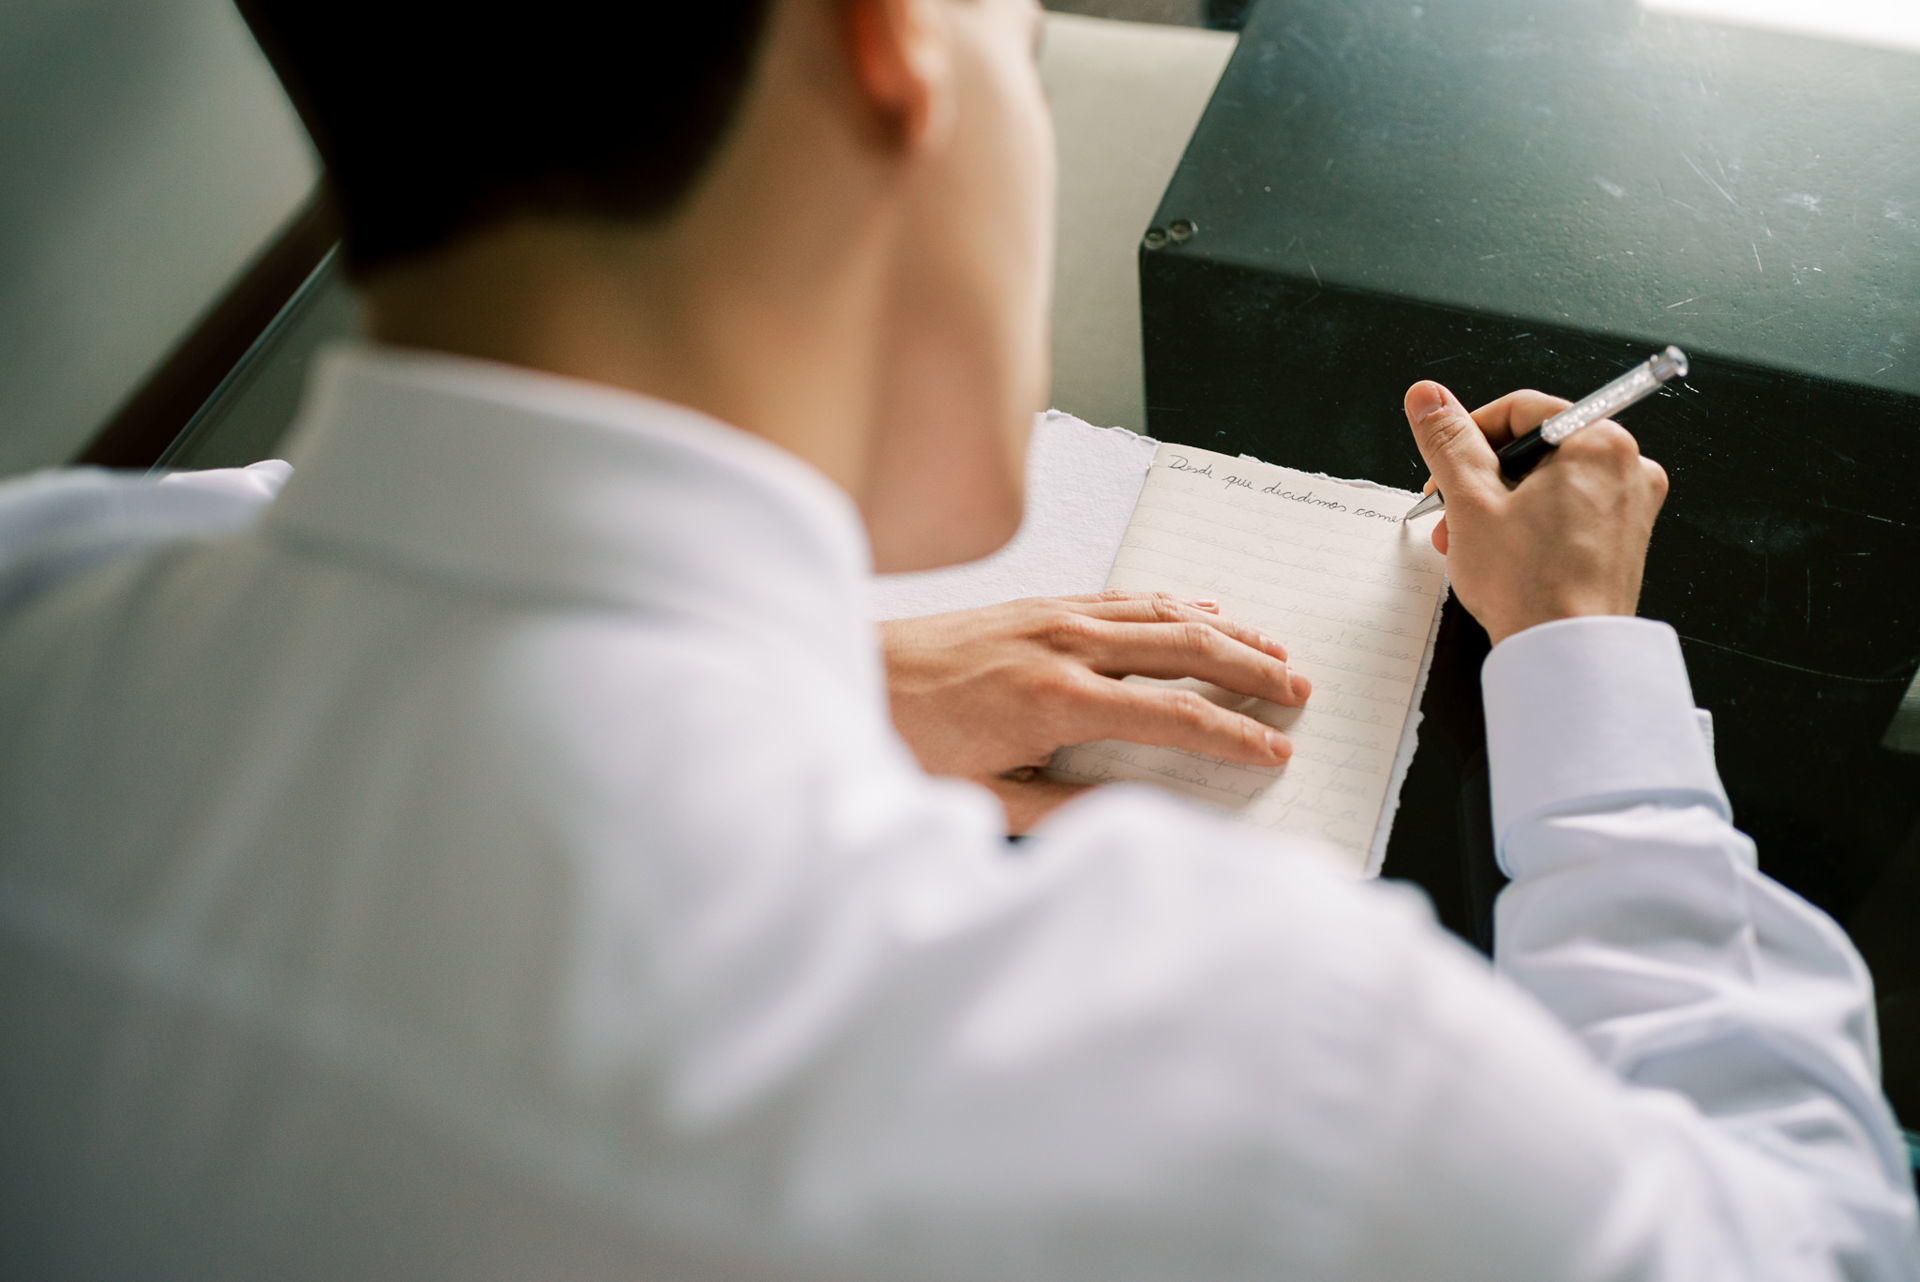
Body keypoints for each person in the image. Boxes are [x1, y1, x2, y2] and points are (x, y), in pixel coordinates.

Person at [0, 0, 1912, 1278]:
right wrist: (1583, 666)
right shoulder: (1252, 1047)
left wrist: (822, 671)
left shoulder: (44, 598)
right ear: (889, 49)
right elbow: (1815, 1234)